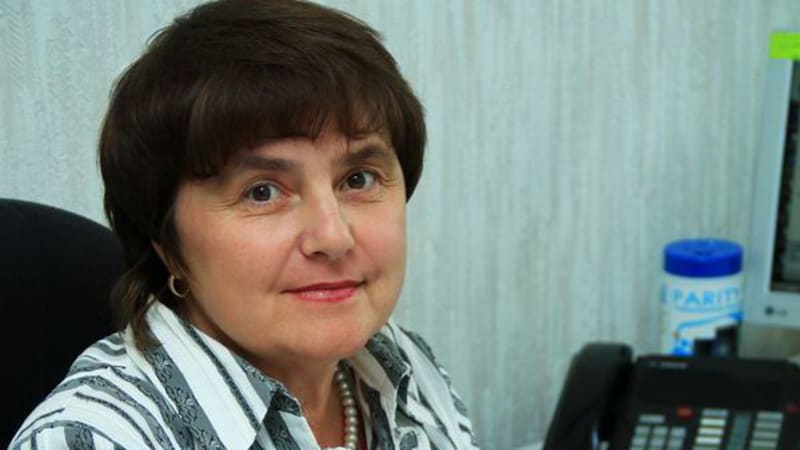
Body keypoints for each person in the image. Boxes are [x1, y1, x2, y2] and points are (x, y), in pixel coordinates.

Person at [10, 0, 478, 449]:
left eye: (358, 179)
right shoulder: (99, 439)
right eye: (262, 192)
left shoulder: (400, 362)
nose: (334, 237)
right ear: (167, 244)